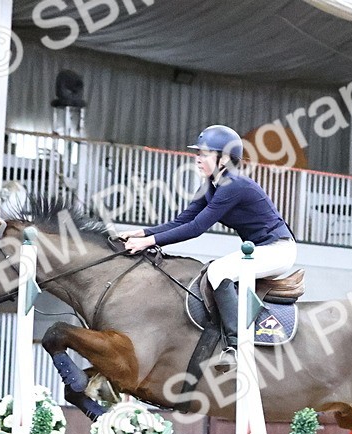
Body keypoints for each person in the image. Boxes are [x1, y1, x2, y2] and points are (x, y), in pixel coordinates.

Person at [119, 125, 296, 371]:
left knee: (218, 272)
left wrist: (148, 243)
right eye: (197, 153)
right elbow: (183, 221)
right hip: (259, 250)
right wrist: (142, 233)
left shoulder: (233, 185)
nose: (197, 158)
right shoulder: (210, 185)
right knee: (212, 272)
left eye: (204, 154)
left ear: (223, 158)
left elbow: (197, 228)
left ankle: (235, 347)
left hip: (278, 250)